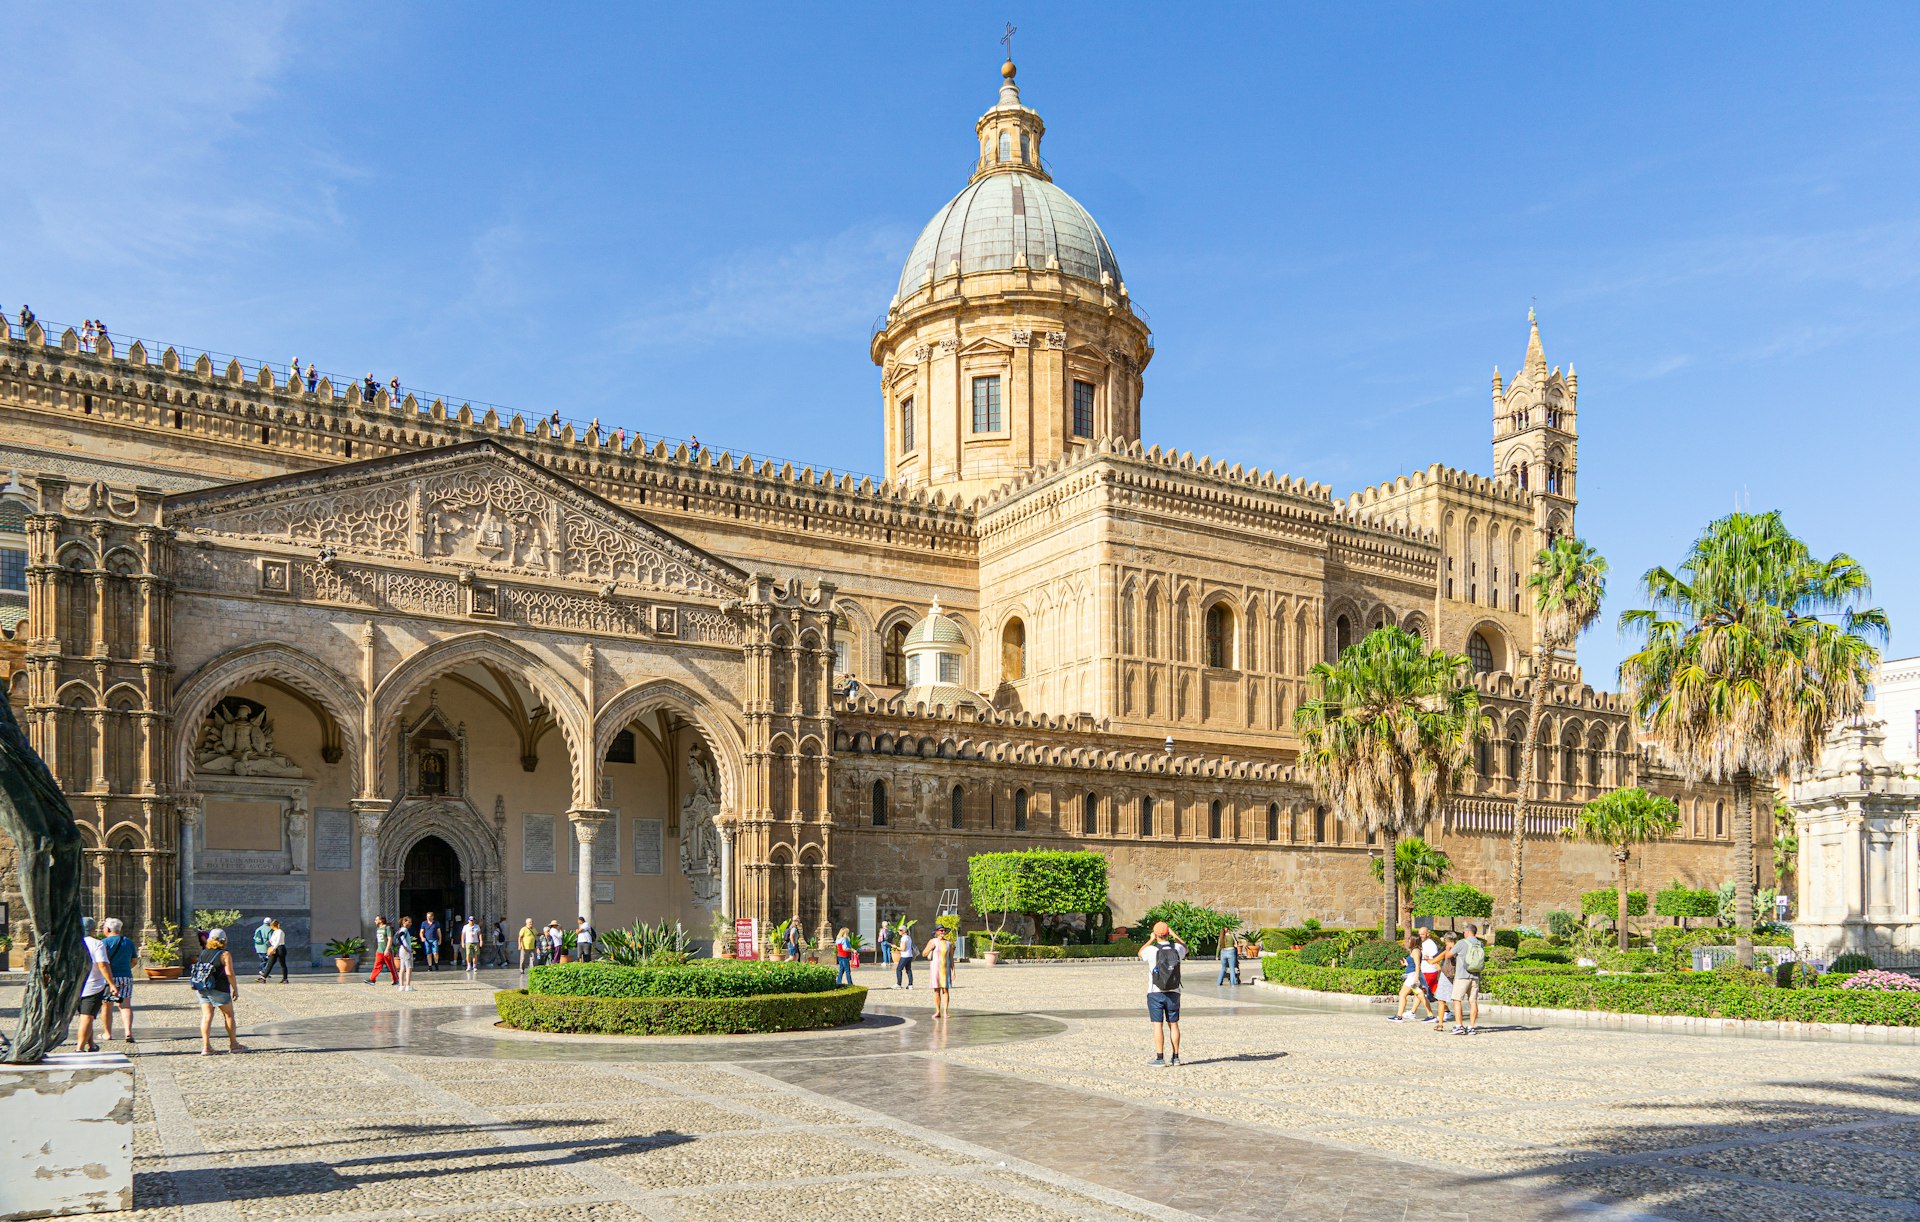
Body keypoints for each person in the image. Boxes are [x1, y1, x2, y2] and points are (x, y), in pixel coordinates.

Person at [190, 928, 244, 1055]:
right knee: (229, 1015)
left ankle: (206, 1047)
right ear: (224, 940)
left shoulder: (203, 953)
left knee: (206, 1016)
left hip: (203, 988)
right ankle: (233, 1044)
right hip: (219, 989)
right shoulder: (225, 954)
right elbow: (229, 973)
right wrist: (235, 988)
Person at [1140, 920, 1187, 1067]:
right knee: (1174, 1024)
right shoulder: (1178, 948)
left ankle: (1160, 1058)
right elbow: (1186, 947)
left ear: (1156, 934)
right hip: (1174, 991)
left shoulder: (1152, 951)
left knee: (1157, 1025)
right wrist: (1175, 936)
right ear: (1168, 934)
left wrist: (1150, 939)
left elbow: (1140, 952)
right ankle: (1176, 1057)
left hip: (1155, 992)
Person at [75, 920, 119, 1053]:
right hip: (93, 985)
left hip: (75, 986)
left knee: (86, 1016)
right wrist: (111, 984)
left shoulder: (72, 944)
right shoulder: (97, 944)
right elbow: (102, 964)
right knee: (87, 1016)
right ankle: (79, 1048)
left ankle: (91, 1044)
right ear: (93, 929)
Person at [99, 918, 137, 1043]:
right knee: (125, 1005)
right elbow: (134, 960)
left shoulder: (103, 943)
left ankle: (107, 1033)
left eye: (104, 927)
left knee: (107, 1006)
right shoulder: (128, 942)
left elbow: (101, 963)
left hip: (109, 978)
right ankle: (128, 1033)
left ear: (108, 929)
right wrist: (126, 968)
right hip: (125, 976)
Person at [1448, 923, 1487, 1035]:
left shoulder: (1462, 943)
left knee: (1457, 1000)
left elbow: (1448, 955)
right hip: (1475, 976)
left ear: (1468, 932)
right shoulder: (1480, 943)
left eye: (1465, 932)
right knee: (1473, 1001)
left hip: (1462, 975)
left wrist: (1451, 948)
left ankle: (1459, 1026)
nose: (1464, 934)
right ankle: (1471, 1027)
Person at [1388, 931, 1434, 1022]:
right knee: (1420, 995)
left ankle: (1399, 1016)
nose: (1408, 941)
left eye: (1409, 940)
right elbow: (1413, 964)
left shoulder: (1415, 951)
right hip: (1413, 974)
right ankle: (1430, 1015)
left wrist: (1416, 978)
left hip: (1413, 976)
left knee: (1403, 994)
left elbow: (1417, 965)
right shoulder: (1416, 950)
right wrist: (1406, 963)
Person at [1431, 931, 1460, 1032]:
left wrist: (1428, 959)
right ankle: (1459, 1024)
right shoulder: (1460, 948)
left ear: (1447, 940)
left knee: (1441, 1000)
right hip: (1457, 976)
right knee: (1457, 1001)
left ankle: (1440, 1024)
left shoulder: (1449, 949)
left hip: (1446, 976)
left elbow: (1434, 960)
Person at [926, 925, 953, 1018]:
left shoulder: (948, 943)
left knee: (946, 990)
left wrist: (953, 971)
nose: (943, 932)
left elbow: (951, 958)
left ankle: (945, 1011)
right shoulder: (932, 941)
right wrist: (930, 948)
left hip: (945, 968)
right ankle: (937, 1011)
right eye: (941, 931)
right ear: (936, 932)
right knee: (936, 990)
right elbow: (924, 953)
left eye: (944, 931)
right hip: (935, 969)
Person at [1417, 926, 1442, 1021]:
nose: (1420, 936)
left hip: (1429, 971)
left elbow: (1435, 959)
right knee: (1430, 992)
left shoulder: (1431, 944)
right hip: (1424, 971)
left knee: (1420, 991)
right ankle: (1447, 1011)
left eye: (1422, 934)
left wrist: (1427, 958)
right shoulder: (1422, 943)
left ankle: (1412, 1012)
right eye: (1419, 934)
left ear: (1427, 934)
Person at [367, 916, 399, 985]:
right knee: (377, 965)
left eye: (376, 920)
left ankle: (396, 980)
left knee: (391, 966)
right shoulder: (378, 929)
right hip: (379, 950)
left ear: (381, 920)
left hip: (387, 951)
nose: (375, 921)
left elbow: (390, 939)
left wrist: (387, 949)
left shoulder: (387, 928)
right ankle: (372, 979)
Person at [257, 919, 288, 983]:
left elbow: (278, 941)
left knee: (282, 964)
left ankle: (285, 979)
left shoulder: (280, 932)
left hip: (280, 948)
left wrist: (273, 948)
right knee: (270, 963)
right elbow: (272, 940)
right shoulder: (275, 932)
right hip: (274, 948)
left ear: (274, 926)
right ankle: (263, 977)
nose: (270, 927)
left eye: (271, 926)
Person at [395, 916, 416, 991]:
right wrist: (407, 948)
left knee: (402, 968)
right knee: (409, 968)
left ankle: (401, 985)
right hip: (405, 950)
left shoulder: (400, 929)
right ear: (404, 922)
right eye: (409, 922)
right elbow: (401, 938)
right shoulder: (404, 930)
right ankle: (408, 986)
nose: (410, 923)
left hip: (401, 949)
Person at [894, 924, 916, 990]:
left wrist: (896, 947)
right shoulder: (909, 937)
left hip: (904, 956)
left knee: (899, 969)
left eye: (900, 930)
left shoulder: (904, 938)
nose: (899, 932)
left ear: (904, 931)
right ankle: (910, 984)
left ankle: (898, 984)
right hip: (909, 955)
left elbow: (903, 948)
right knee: (908, 970)